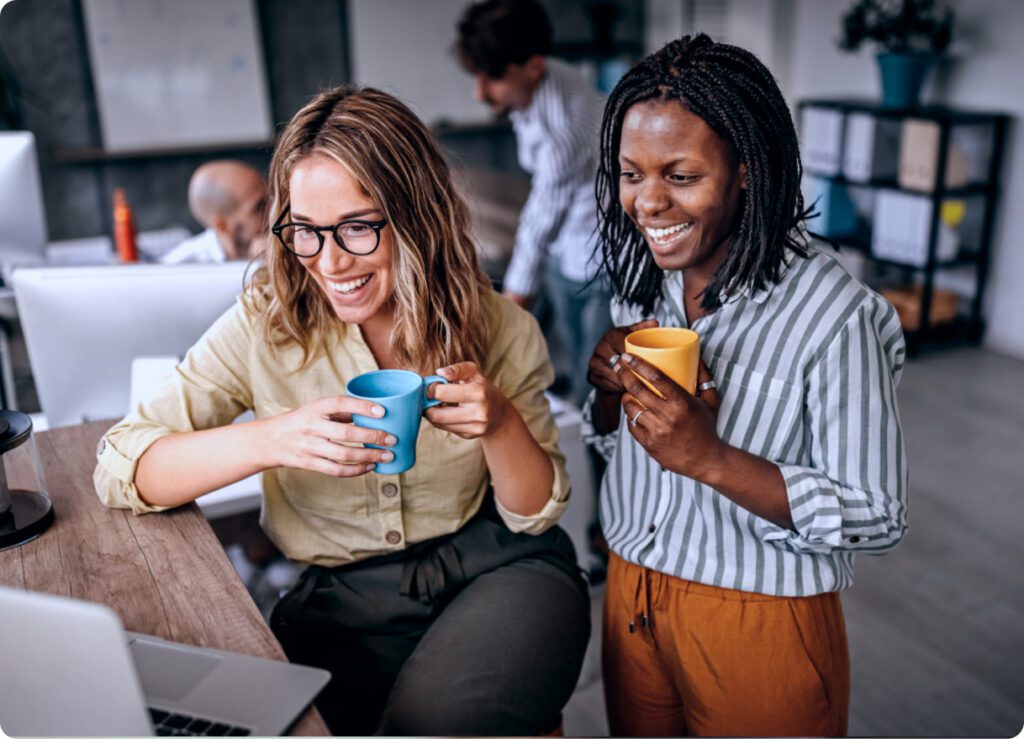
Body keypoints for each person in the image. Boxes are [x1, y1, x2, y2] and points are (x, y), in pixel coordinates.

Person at [94, 86, 590, 736]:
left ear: (414, 215)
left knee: (433, 723)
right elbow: (119, 463)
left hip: (501, 570)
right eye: (305, 230)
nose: (329, 262)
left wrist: (500, 424)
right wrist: (271, 439)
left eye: (357, 227)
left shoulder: (498, 326)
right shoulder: (264, 326)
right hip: (344, 603)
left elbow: (533, 514)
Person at [583, 35, 909, 737]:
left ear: (745, 172)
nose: (647, 203)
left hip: (759, 615)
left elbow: (877, 513)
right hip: (632, 591)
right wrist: (609, 396)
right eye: (630, 173)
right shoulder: (646, 275)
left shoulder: (835, 317)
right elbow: (623, 447)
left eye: (680, 175)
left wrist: (712, 459)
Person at [455, 0, 612, 407]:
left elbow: (539, 224)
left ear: (534, 66)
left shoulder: (566, 129)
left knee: (596, 374)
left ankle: (593, 450)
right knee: (571, 353)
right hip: (567, 248)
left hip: (603, 261)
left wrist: (507, 311)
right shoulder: (538, 81)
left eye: (492, 80)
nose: (479, 93)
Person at [160, 160, 267, 264]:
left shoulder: (273, 246)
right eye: (259, 207)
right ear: (222, 226)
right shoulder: (178, 269)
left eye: (271, 199)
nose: (272, 211)